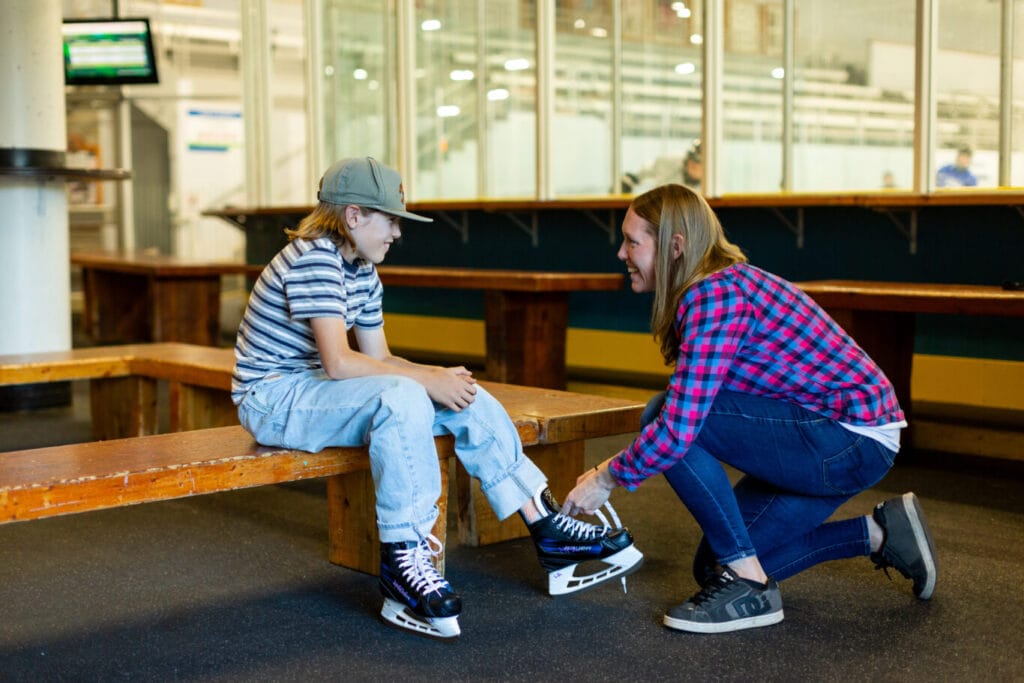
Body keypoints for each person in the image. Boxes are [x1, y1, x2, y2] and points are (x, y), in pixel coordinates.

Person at [231, 156, 642, 640]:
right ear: (354, 216)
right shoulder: (314, 256)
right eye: (390, 221)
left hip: (318, 390)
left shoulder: (361, 267)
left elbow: (379, 356)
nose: (397, 234)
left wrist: (438, 378)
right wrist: (423, 380)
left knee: (465, 394)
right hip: (272, 398)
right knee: (403, 396)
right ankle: (403, 560)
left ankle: (545, 524)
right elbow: (341, 362)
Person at [561, 183, 937, 634]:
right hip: (838, 438)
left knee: (664, 416)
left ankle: (750, 585)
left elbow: (680, 427)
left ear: (675, 247)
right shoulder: (718, 288)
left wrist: (606, 477)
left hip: (849, 440)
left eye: (632, 241)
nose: (621, 253)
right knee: (716, 567)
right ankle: (881, 534)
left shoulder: (714, 295)